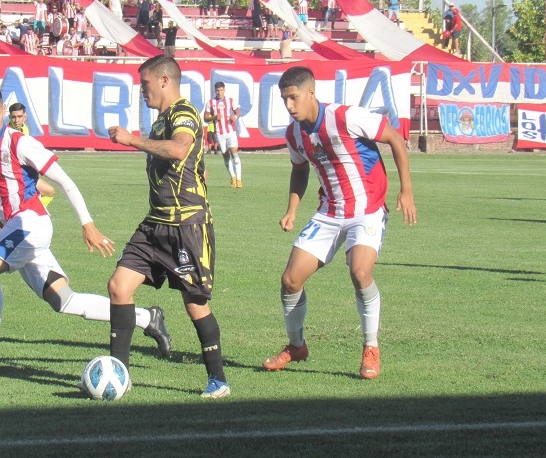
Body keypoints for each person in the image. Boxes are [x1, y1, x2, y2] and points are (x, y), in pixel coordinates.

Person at [0, 85, 171, 373]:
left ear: (4, 111)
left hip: (31, 222)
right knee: (64, 301)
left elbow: (66, 183)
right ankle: (147, 317)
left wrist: (87, 224)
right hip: (16, 230)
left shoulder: (21, 143)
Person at [263, 66, 416, 380]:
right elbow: (299, 169)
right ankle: (296, 347)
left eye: (293, 97)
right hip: (330, 212)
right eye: (284, 99)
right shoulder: (294, 133)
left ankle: (370, 348)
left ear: (311, 92)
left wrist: (407, 191)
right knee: (291, 280)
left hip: (368, 208)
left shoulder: (345, 117)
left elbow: (395, 139)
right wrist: (292, 208)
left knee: (360, 272)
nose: (289, 106)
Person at [107, 55, 229, 399]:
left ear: (163, 81)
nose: (141, 89)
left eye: (144, 83)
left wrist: (131, 140)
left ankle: (218, 379)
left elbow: (179, 149)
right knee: (119, 286)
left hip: (185, 224)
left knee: (195, 303)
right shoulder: (161, 120)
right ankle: (120, 375)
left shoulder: (184, 113)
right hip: (155, 222)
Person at [8, 102, 56, 206]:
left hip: (25, 174)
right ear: (9, 117)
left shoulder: (25, 130)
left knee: (49, 191)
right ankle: (35, 214)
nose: (16, 120)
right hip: (14, 176)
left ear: (25, 117)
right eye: (14, 117)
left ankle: (36, 213)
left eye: (19, 117)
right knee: (47, 192)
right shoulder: (6, 133)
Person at [204, 81, 242, 188]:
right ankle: (233, 177)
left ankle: (239, 179)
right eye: (217, 90)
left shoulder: (230, 101)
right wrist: (214, 117)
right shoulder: (210, 103)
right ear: (215, 91)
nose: (219, 92)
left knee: (234, 153)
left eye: (221, 90)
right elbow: (205, 118)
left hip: (231, 132)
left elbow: (238, 112)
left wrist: (235, 117)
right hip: (219, 133)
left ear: (224, 90)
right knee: (225, 155)